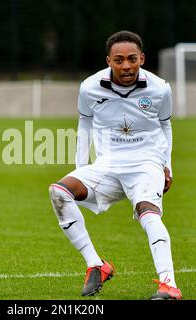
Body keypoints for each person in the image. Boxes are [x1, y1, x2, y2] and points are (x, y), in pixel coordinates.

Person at [48, 30, 182, 300]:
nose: (126, 66)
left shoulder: (160, 88)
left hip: (146, 163)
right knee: (58, 192)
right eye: (119, 60)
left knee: (149, 214)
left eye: (132, 59)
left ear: (142, 58)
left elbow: (165, 125)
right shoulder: (89, 87)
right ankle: (96, 264)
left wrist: (167, 165)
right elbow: (84, 124)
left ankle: (169, 285)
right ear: (108, 60)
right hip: (107, 165)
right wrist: (80, 166)